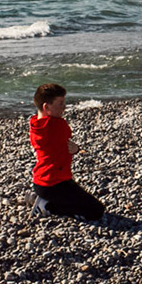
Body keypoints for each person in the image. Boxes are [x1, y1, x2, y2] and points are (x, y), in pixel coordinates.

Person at [30, 83, 106, 222]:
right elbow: (67, 139)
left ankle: (40, 197)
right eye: (60, 103)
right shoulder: (58, 125)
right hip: (54, 183)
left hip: (42, 181)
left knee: (80, 199)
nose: (64, 107)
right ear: (46, 107)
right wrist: (76, 149)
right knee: (96, 211)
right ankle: (46, 206)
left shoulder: (35, 124)